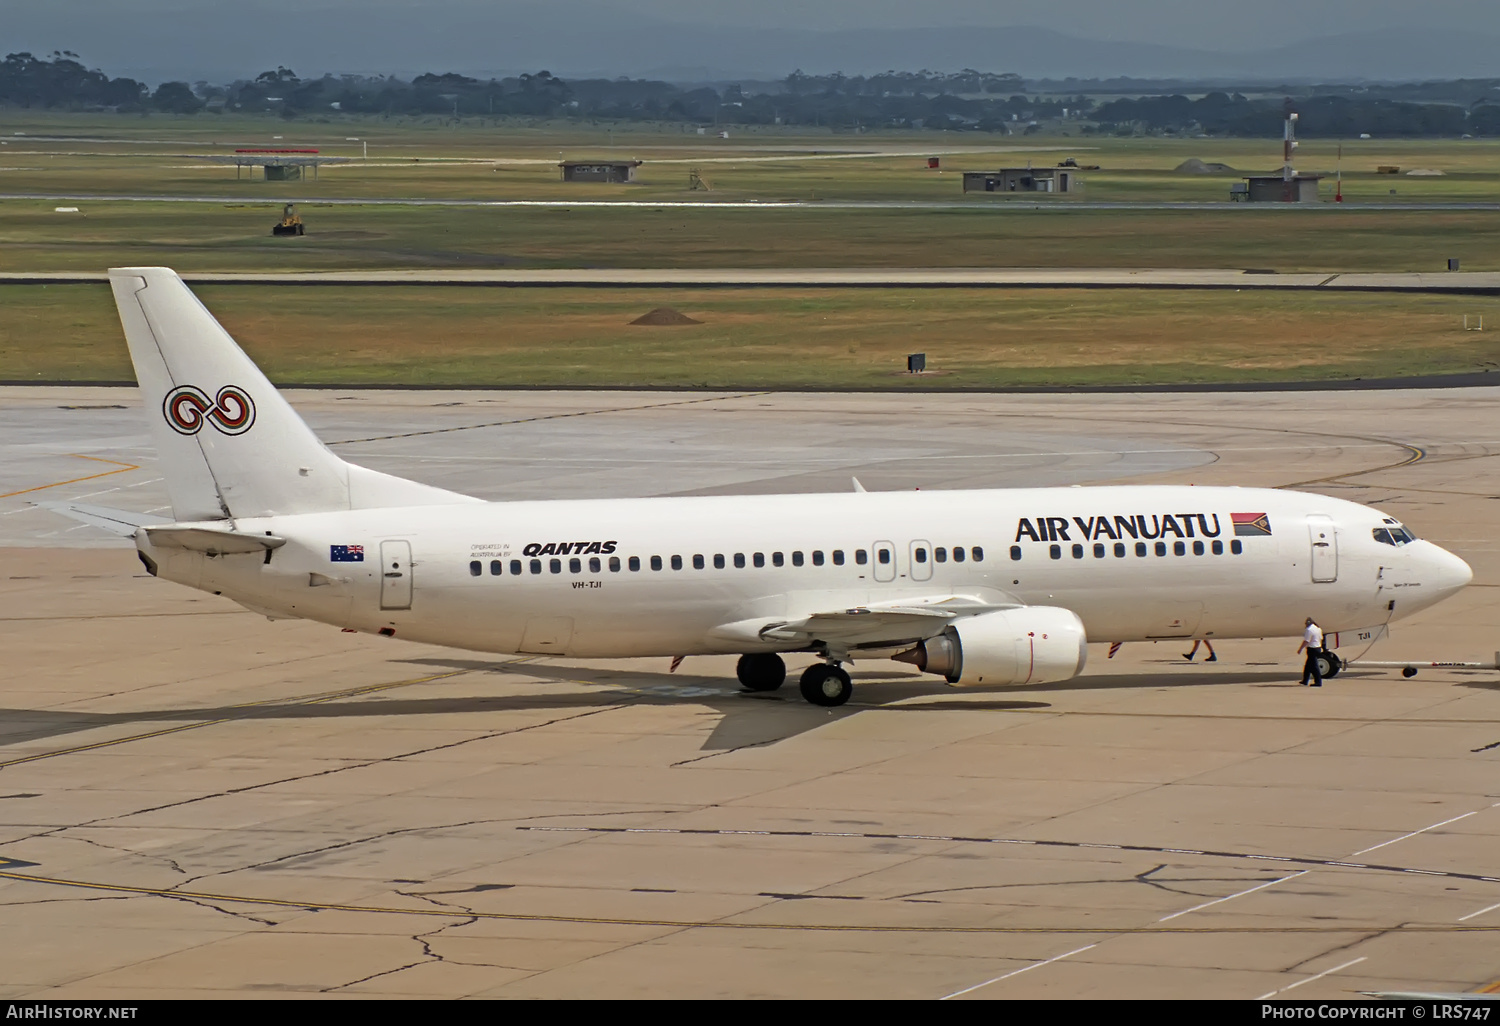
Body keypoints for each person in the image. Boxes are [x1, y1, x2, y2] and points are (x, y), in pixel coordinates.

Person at [1297, 617, 1324, 687]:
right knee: (1308, 666)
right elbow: (1321, 638)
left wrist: (1300, 649)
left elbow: (1306, 641)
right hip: (1317, 648)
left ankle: (1318, 682)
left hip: (1312, 649)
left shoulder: (1309, 630)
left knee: (1314, 666)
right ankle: (1305, 680)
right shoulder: (1318, 629)